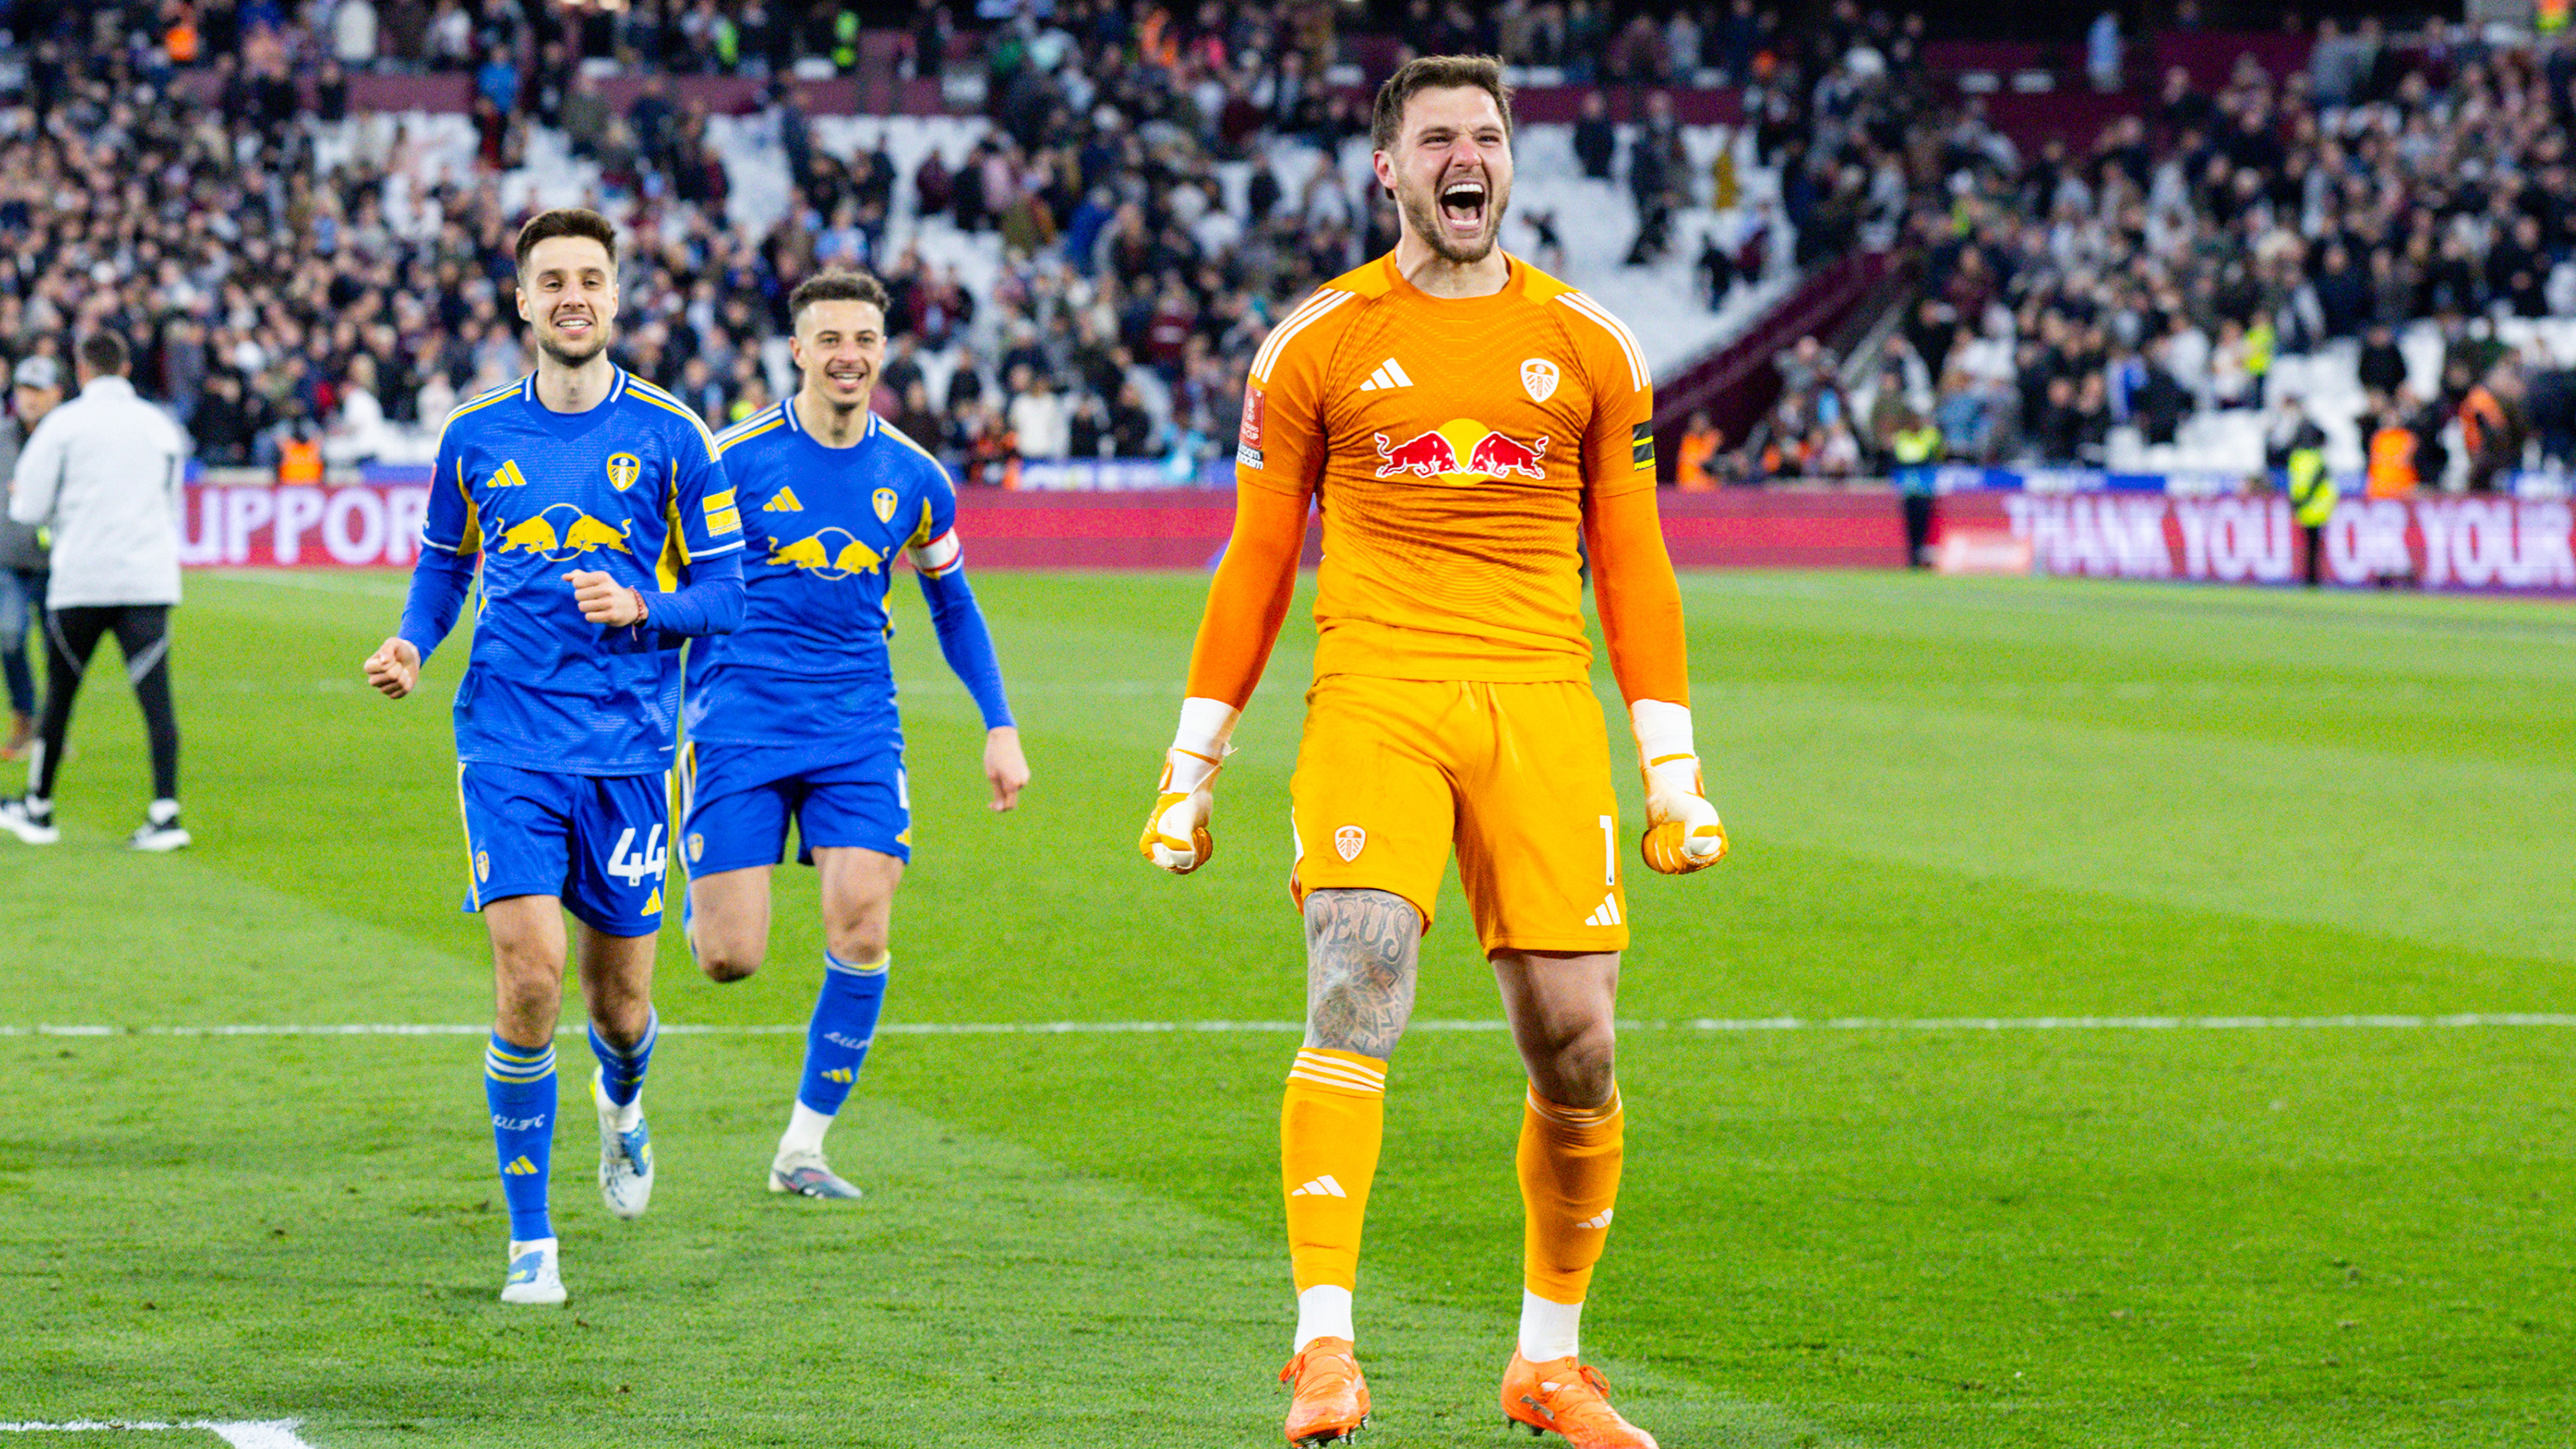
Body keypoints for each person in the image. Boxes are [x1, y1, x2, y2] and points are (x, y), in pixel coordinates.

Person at [1137, 57, 1723, 1449]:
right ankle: (1324, 1345)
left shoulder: (1591, 343)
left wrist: (1673, 768)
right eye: (1439, 137)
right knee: (1358, 983)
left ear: (1510, 162)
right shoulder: (1316, 340)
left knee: (1577, 1044)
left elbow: (1632, 562)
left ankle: (1548, 1362)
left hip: (1540, 702)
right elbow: (1257, 557)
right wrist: (1191, 762)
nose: (1469, 157)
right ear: (1387, 168)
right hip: (1377, 693)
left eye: (1488, 136)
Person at [360, 209, 747, 1308]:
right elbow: (444, 567)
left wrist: (642, 605)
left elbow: (727, 596)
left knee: (619, 1007)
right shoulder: (473, 433)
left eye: (591, 278)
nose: (573, 295)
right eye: (553, 280)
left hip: (627, 750)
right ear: (523, 300)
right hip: (506, 738)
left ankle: (622, 1100)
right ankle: (532, 1241)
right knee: (528, 974)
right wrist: (413, 642)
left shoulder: (675, 435)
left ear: (615, 296)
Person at [681, 269, 1028, 1199]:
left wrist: (999, 725)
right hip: (742, 717)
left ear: (884, 350)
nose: (849, 355)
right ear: (797, 350)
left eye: (865, 339)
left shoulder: (917, 478)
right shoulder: (731, 461)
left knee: (864, 923)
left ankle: (802, 1147)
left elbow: (954, 606)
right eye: (830, 339)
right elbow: (674, 580)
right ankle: (695, 880)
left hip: (856, 724)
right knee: (728, 957)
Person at [1, 334, 190, 850]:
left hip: (82, 578)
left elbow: (28, 508)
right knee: (156, 700)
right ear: (125, 368)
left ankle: (39, 807)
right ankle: (166, 812)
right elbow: (172, 502)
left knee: (60, 696)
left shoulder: (64, 424)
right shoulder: (159, 425)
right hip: (147, 579)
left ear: (81, 372)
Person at [0, 356, 64, 759]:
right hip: (9, 558)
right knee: (9, 636)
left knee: (60, 650)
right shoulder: (2, 436)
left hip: (59, 561)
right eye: (25, 388)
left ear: (57, 393)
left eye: (38, 390)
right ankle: (25, 716)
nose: (30, 398)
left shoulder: (69, 438)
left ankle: (53, 728)